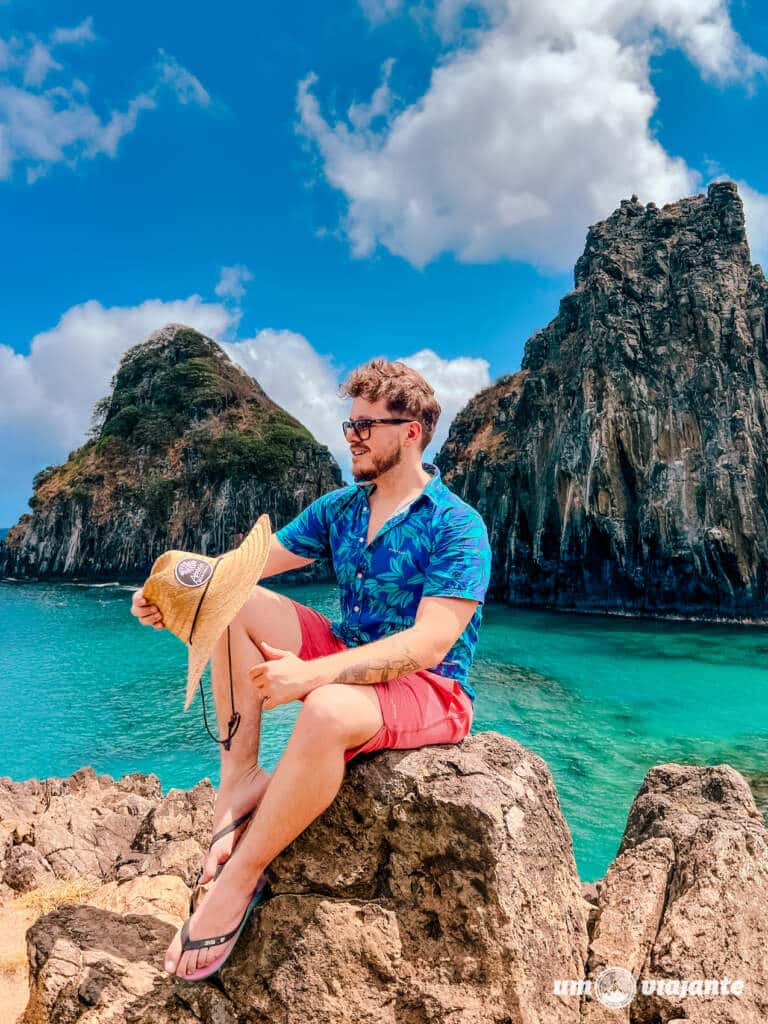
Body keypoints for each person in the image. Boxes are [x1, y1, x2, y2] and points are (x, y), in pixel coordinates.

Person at [131, 357, 491, 980]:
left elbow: (431, 644)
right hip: (352, 654)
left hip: (431, 688)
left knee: (323, 708)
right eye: (348, 424)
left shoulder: (457, 525)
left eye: (365, 426)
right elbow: (239, 570)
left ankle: (239, 880)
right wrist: (172, 595)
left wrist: (313, 676)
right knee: (236, 601)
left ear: (410, 431)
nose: (350, 436)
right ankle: (240, 778)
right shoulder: (342, 510)